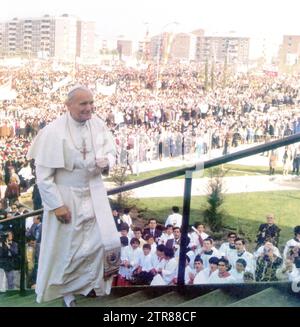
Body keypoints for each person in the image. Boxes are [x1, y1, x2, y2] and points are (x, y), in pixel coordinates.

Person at [27, 85, 121, 307]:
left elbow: (111, 151)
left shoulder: (97, 124)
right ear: (68, 106)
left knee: (100, 243)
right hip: (67, 197)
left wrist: (108, 161)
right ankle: (67, 293)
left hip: (94, 192)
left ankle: (91, 285)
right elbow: (43, 176)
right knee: (68, 248)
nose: (89, 108)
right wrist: (57, 205)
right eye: (83, 103)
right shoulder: (53, 131)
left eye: (91, 103)